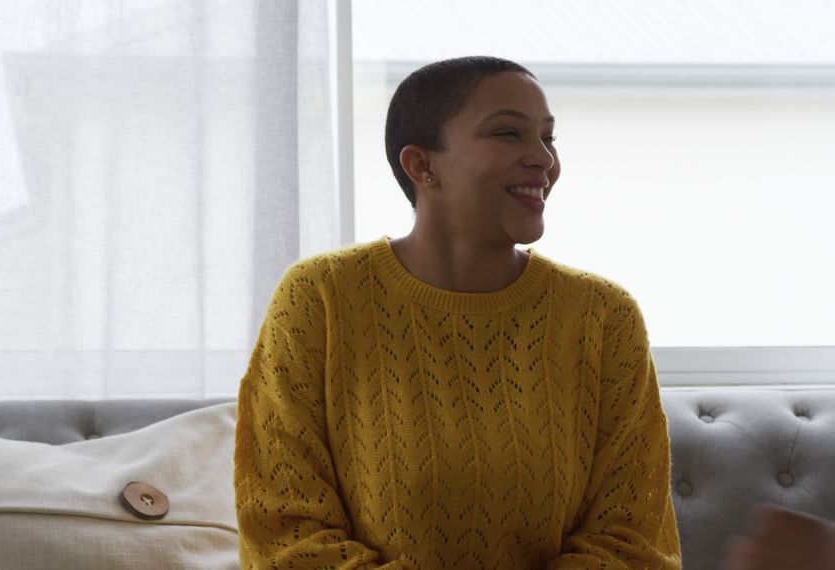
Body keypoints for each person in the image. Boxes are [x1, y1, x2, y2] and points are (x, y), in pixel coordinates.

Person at [234, 56, 682, 568]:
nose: (543, 159)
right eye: (509, 133)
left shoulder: (605, 317)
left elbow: (631, 542)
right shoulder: (319, 299)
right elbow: (286, 534)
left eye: (548, 138)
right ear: (422, 166)